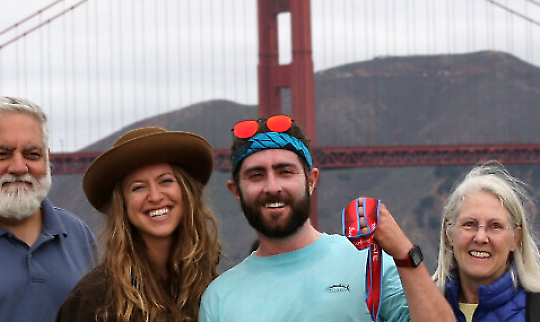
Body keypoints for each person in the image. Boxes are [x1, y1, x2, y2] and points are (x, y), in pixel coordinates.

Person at [198, 114, 455, 322]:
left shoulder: (369, 263)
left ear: (311, 181)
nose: (273, 187)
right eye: (256, 175)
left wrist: (404, 252)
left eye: (285, 171)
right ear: (236, 191)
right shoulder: (219, 298)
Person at [0, 96, 97, 322]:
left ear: (47, 160)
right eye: (1, 154)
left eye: (32, 155)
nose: (19, 167)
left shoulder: (79, 235)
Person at [56, 126, 220, 322]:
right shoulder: (94, 299)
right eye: (138, 187)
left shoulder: (210, 286)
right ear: (122, 205)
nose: (155, 196)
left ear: (187, 192)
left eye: (166, 181)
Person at [433, 162, 540, 322]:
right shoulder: (416, 310)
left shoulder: (535, 310)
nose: (480, 238)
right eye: (469, 224)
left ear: (515, 239)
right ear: (449, 233)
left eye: (495, 226)